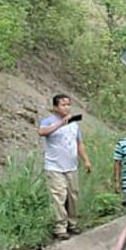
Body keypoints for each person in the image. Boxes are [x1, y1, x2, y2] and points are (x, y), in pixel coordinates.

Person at [38, 94, 93, 240]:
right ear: (55, 107)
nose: (67, 107)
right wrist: (61, 123)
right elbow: (42, 132)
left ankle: (72, 224)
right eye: (63, 105)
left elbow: (79, 144)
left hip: (71, 166)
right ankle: (60, 227)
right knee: (59, 196)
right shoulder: (48, 121)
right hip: (54, 166)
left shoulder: (74, 124)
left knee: (73, 196)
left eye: (68, 104)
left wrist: (86, 160)